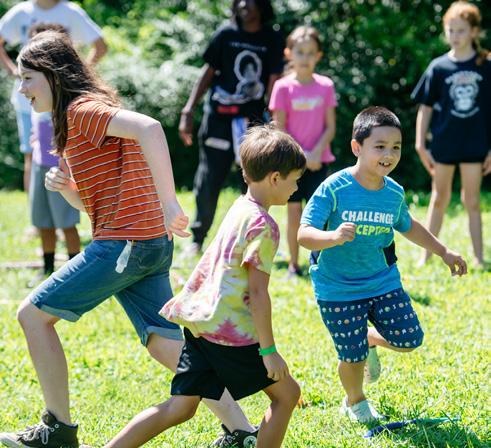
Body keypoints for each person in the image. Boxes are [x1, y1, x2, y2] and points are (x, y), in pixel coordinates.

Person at [0, 31, 255, 448]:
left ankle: (58, 429)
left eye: (28, 78)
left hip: (125, 245)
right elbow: (95, 206)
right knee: (164, 343)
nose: (22, 88)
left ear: (53, 75)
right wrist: (67, 189)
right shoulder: (75, 120)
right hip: (143, 244)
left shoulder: (82, 110)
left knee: (32, 316)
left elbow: (149, 128)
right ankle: (241, 430)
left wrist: (170, 202)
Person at [68, 125, 306, 448]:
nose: (296, 187)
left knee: (181, 407)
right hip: (228, 332)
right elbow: (258, 295)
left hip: (199, 323)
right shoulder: (265, 225)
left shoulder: (240, 208)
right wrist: (269, 350)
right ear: (275, 178)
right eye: (294, 180)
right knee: (287, 394)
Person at [298, 107, 467, 424]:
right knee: (352, 355)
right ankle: (355, 402)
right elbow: (303, 235)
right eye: (380, 146)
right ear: (357, 147)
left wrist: (444, 252)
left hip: (381, 281)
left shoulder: (393, 192)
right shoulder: (334, 188)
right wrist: (332, 236)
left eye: (395, 147)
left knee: (409, 338)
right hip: (337, 287)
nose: (389, 155)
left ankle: (371, 338)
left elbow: (408, 225)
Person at [179, 0, 285, 256]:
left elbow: (274, 82)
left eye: (251, 0)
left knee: (253, 181)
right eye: (240, 0)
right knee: (209, 179)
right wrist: (188, 110)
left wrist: (274, 119)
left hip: (252, 124)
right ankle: (197, 239)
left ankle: (253, 238)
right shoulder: (225, 34)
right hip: (218, 120)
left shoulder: (271, 38)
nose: (245, 5)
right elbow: (208, 72)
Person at [0, 0, 107, 192]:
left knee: (65, 155)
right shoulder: (22, 11)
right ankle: (36, 209)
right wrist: (15, 72)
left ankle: (65, 208)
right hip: (28, 100)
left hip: (62, 100)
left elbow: (100, 46)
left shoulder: (70, 12)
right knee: (32, 154)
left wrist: (76, 77)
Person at [412, 1, 491, 268]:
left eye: (461, 30)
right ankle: (426, 255)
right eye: (451, 30)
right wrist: (420, 143)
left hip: (475, 145)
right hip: (444, 144)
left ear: (474, 31)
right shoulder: (438, 67)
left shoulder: (486, 65)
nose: (455, 36)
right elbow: (425, 108)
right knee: (439, 198)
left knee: (472, 201)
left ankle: (479, 258)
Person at [269, 26, 337, 277]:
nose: (305, 57)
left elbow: (330, 127)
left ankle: (321, 264)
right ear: (289, 54)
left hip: (319, 161)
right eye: (300, 52)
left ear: (318, 55)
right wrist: (301, 156)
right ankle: (294, 264)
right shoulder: (282, 87)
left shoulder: (326, 86)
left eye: (310, 52)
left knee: (320, 215)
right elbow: (280, 128)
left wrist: (315, 153)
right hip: (291, 163)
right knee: (294, 212)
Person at [26, 23, 80, 287]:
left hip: (61, 167)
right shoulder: (34, 89)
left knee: (66, 222)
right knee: (43, 221)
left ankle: (75, 268)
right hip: (40, 164)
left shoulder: (65, 91)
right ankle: (47, 267)